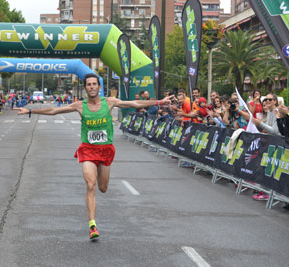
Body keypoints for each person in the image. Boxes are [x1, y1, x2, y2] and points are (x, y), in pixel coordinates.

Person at [14, 73, 174, 240]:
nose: (91, 87)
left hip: (105, 150)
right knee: (90, 184)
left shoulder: (110, 102)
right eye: (88, 84)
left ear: (99, 87)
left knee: (102, 188)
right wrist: (30, 111)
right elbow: (54, 110)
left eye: (94, 84)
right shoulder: (79, 106)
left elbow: (134, 103)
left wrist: (159, 102)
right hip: (88, 150)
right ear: (85, 88)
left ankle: (98, 184)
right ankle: (92, 225)